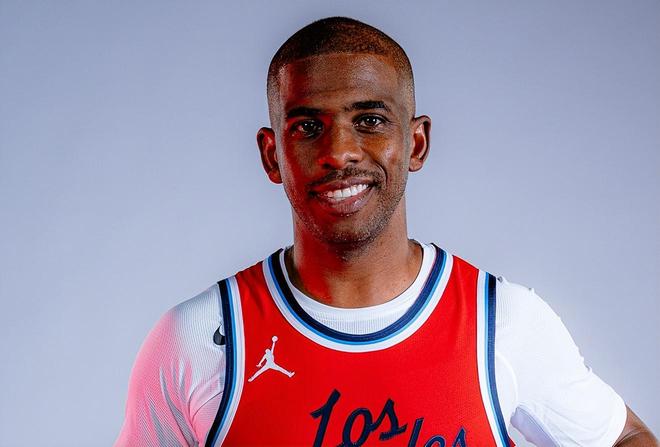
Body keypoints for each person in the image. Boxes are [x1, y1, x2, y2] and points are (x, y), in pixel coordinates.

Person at [115, 17, 657, 447]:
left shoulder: (501, 322)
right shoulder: (198, 339)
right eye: (308, 127)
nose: (339, 152)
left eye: (369, 121)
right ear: (272, 154)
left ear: (416, 143)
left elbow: (623, 439)